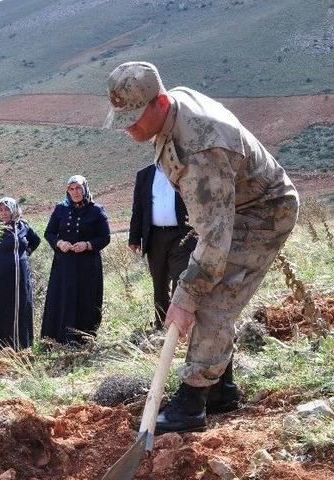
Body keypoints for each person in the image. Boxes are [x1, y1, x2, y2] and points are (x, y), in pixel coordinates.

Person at [105, 61, 298, 432]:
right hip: (231, 210)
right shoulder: (171, 111)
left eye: (133, 117)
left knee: (209, 298)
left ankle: (191, 404)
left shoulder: (200, 151)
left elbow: (214, 242)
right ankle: (220, 390)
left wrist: (185, 298)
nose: (127, 127)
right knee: (200, 286)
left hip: (262, 212)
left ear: (159, 103)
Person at [41, 175, 111, 345]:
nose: (75, 192)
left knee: (85, 298)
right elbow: (49, 233)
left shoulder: (96, 210)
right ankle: (56, 340)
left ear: (85, 188)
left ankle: (83, 339)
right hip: (64, 265)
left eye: (78, 188)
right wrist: (59, 243)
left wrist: (87, 244)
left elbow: (105, 237)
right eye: (71, 189)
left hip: (88, 265)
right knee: (63, 297)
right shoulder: (60, 209)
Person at [129, 163, 197, 330]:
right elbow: (138, 208)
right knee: (159, 282)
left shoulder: (184, 170)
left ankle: (178, 326)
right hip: (154, 236)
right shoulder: (144, 174)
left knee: (180, 277)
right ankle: (161, 324)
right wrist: (134, 237)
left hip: (181, 235)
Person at [0, 197, 41, 352]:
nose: (4, 213)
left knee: (20, 310)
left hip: (20, 279)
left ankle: (21, 349)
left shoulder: (23, 226)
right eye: (1, 210)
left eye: (7, 209)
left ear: (14, 210)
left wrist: (25, 254)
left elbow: (36, 240)